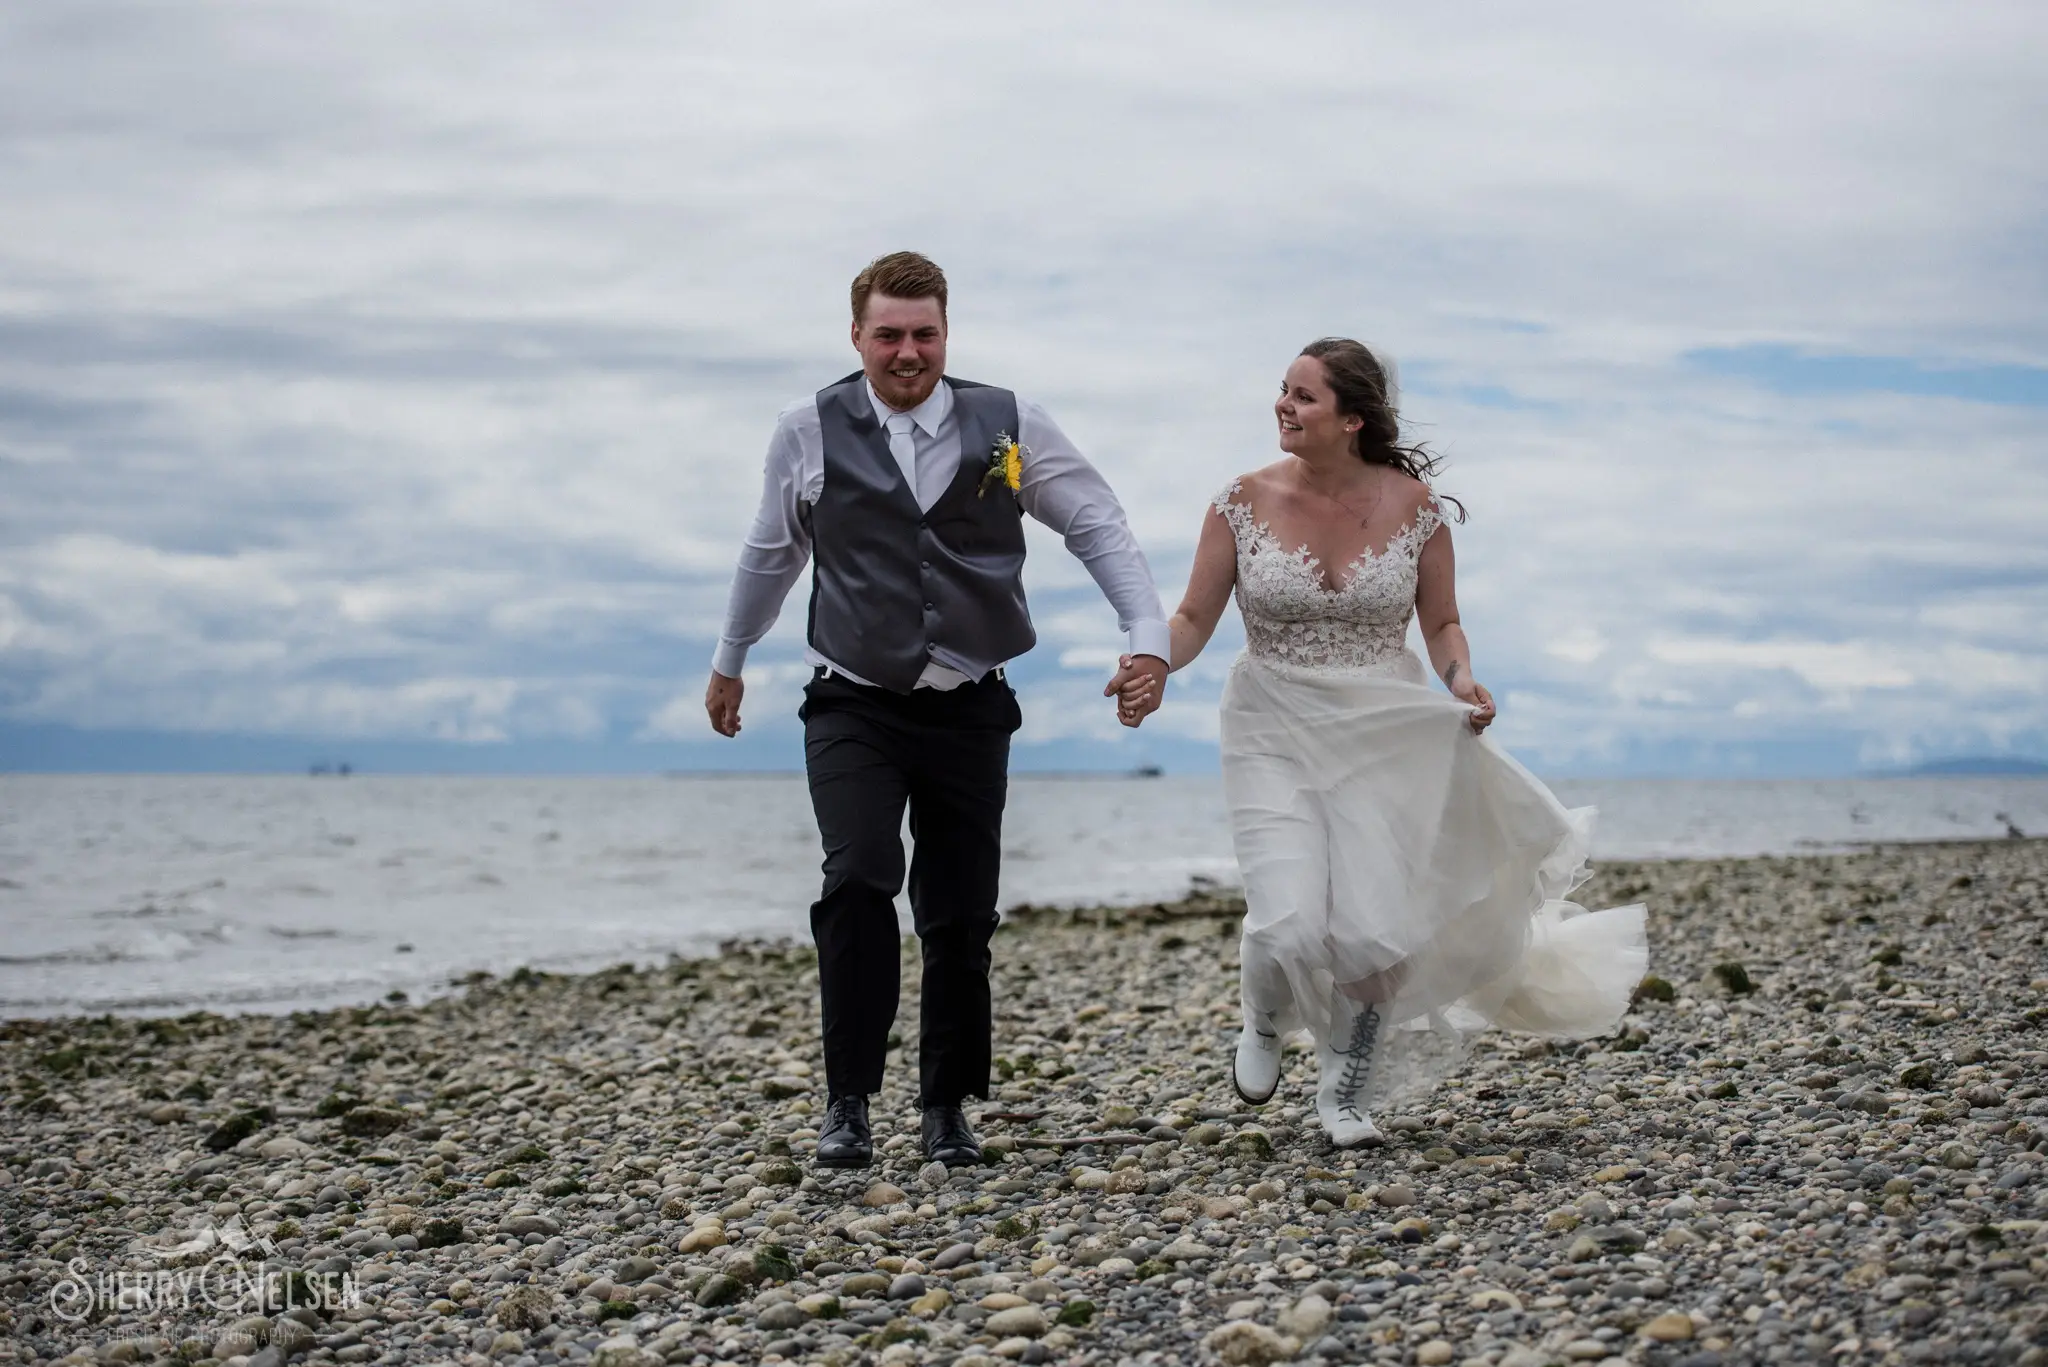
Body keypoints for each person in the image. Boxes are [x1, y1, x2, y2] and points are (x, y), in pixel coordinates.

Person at [1116, 338, 1648, 1146]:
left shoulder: (1416, 507)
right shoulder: (1240, 499)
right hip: (1272, 721)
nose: (1282, 407)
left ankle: (1346, 1091)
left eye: (1303, 397)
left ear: (1353, 419)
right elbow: (1192, 617)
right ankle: (1261, 1019)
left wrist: (1461, 679)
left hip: (1385, 730)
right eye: (1283, 391)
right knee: (1288, 921)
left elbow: (1440, 622)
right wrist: (1153, 661)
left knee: (1371, 931)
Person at [706, 252, 1171, 1168]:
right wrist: (732, 659)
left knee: (959, 912)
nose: (907, 352)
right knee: (859, 878)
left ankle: (946, 1106)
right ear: (857, 337)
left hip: (970, 705)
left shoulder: (1010, 422)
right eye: (889, 334)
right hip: (853, 701)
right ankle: (847, 1102)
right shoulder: (806, 428)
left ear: (946, 333)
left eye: (924, 334)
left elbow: (1095, 520)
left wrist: (1146, 633)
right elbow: (771, 551)